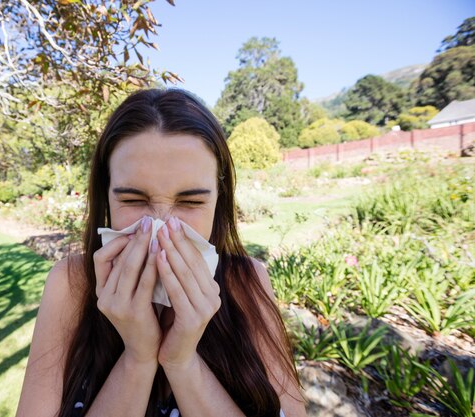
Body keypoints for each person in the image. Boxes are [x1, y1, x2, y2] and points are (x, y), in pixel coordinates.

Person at [15, 89, 307, 417]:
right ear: (106, 198)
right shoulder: (71, 284)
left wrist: (181, 361)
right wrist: (138, 357)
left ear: (218, 202)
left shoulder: (246, 281)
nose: (161, 229)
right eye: (133, 200)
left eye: (191, 202)